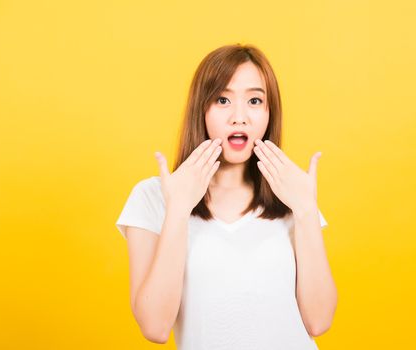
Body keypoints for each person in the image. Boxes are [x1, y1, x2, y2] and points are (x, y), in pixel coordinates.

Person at [115, 43, 337, 350]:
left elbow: (319, 321)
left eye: (255, 100)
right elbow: (155, 327)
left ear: (269, 114)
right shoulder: (154, 197)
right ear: (201, 110)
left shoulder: (291, 195)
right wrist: (178, 210)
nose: (239, 117)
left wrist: (307, 210)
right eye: (222, 100)